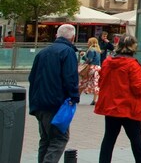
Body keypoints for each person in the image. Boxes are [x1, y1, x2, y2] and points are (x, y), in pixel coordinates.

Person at [95, 35, 141, 163]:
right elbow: (138, 88)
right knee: (136, 140)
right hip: (128, 107)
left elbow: (101, 82)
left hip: (111, 107)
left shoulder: (107, 62)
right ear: (133, 46)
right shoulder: (132, 65)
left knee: (109, 139)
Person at [28, 24, 80, 163]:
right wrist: (74, 96)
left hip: (39, 103)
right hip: (56, 103)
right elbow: (70, 78)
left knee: (45, 139)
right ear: (73, 38)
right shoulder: (67, 52)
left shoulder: (43, 52)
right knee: (59, 138)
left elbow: (32, 78)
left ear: (57, 35)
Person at [80, 37, 102, 105]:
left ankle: (77, 97)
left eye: (88, 42)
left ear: (91, 43)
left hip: (91, 67)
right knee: (96, 83)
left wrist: (83, 56)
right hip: (98, 68)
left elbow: (89, 60)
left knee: (83, 82)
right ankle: (95, 100)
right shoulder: (98, 50)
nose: (87, 43)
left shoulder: (91, 50)